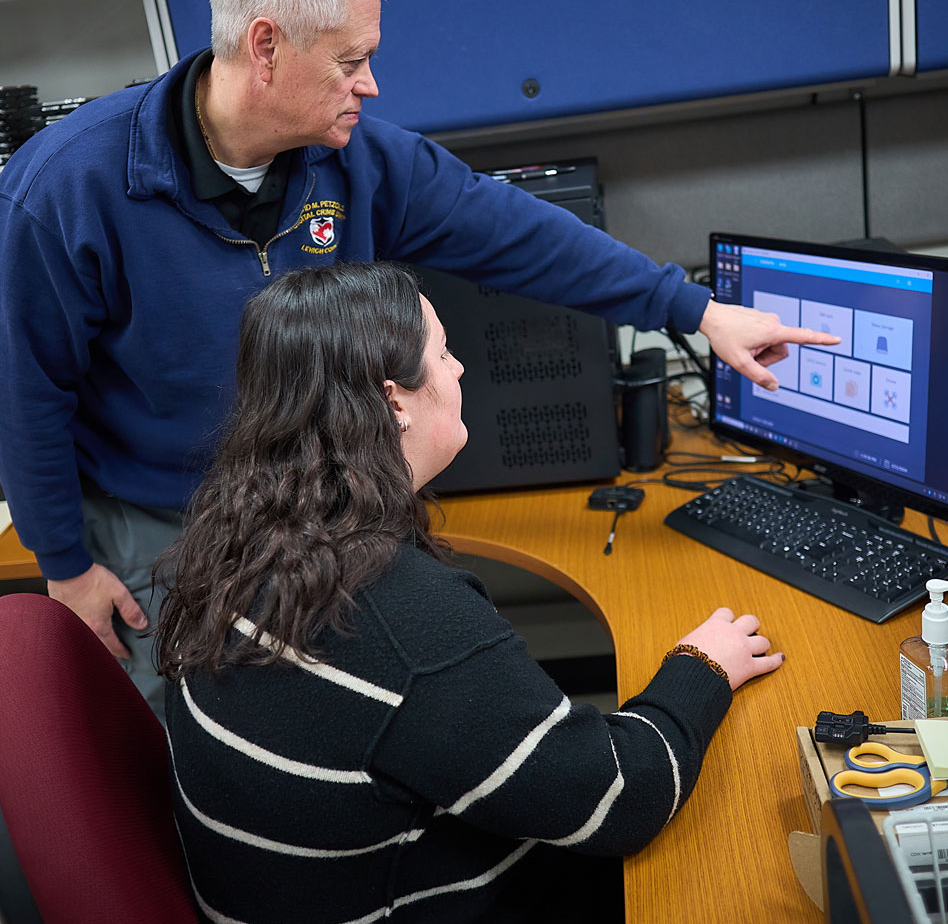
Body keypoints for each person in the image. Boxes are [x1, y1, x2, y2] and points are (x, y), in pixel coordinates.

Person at [0, 0, 837, 718]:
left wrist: (694, 310)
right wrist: (66, 566)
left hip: (325, 514)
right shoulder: (69, 188)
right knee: (200, 750)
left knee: (357, 730)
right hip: (164, 525)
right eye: (350, 60)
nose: (371, 83)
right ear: (266, 47)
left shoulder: (353, 158)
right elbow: (24, 388)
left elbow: (513, 231)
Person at [156, 262, 784, 924]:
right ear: (394, 400)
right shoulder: (403, 623)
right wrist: (702, 665)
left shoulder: (239, 540)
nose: (458, 370)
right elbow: (621, 801)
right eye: (444, 352)